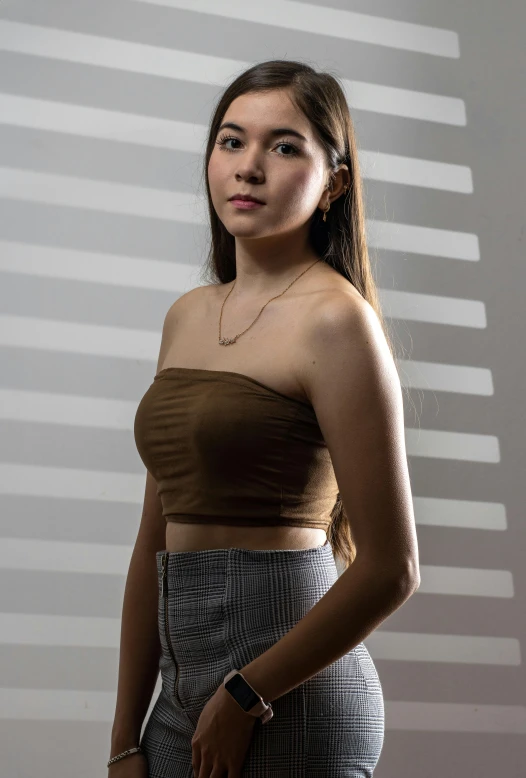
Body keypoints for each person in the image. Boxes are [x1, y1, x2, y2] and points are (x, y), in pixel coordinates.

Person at [107, 59, 420, 777]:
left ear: (334, 183)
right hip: (179, 699)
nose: (248, 168)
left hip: (293, 698)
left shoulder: (338, 323)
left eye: (283, 146)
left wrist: (247, 694)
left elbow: (391, 568)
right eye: (231, 141)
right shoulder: (188, 316)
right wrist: (125, 736)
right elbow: (151, 541)